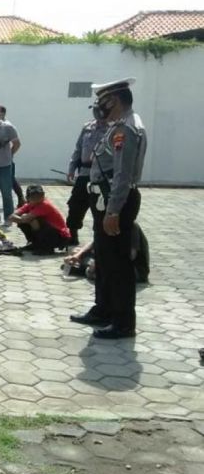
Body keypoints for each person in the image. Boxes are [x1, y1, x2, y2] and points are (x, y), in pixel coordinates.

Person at [70, 78, 147, 339]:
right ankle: (103, 309)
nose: (99, 106)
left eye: (103, 101)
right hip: (104, 198)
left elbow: (123, 174)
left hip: (115, 201)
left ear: (114, 100)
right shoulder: (117, 126)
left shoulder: (126, 128)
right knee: (103, 257)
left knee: (117, 263)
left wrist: (113, 211)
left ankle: (123, 322)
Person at [66, 115, 109, 245]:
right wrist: (72, 168)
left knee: (100, 208)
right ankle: (72, 235)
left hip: (102, 175)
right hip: (84, 173)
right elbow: (78, 149)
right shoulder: (88, 127)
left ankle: (101, 239)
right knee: (75, 205)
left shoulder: (113, 128)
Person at [63, 223, 149, 283]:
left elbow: (131, 256)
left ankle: (89, 270)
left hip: (133, 269)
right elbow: (95, 242)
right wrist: (77, 255)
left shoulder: (131, 226)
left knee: (99, 266)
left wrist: (102, 261)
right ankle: (91, 269)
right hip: (111, 260)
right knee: (77, 251)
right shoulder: (107, 222)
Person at [7, 184, 71, 254]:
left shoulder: (45, 205)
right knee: (25, 222)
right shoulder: (28, 205)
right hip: (51, 233)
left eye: (40, 195)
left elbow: (26, 218)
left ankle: (46, 248)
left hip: (60, 237)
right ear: (28, 198)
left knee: (32, 220)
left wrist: (23, 219)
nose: (37, 198)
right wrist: (22, 219)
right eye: (34, 196)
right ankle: (35, 243)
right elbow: (11, 217)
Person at [0, 106, 26, 207]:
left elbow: (17, 143)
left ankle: (21, 197)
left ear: (3, 114)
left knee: (10, 179)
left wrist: (10, 154)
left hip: (5, 159)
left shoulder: (8, 126)